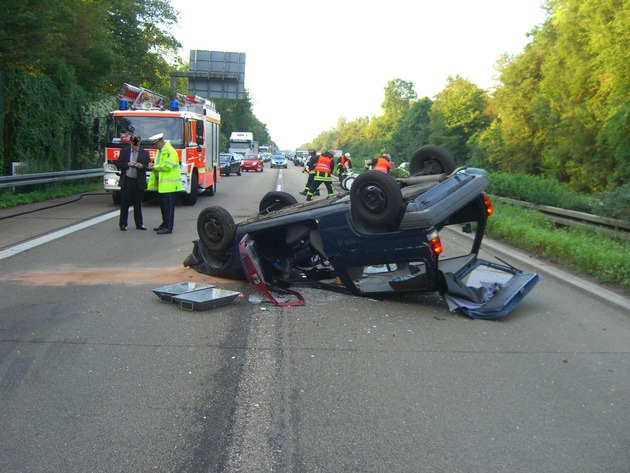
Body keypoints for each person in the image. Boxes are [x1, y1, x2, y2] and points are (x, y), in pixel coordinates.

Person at [147, 133, 182, 234]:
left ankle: (168, 227)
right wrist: (154, 164)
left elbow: (168, 166)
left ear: (161, 142)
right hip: (162, 185)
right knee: (163, 207)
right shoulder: (160, 151)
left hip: (169, 185)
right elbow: (159, 163)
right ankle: (164, 224)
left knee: (168, 208)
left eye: (155, 144)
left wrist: (154, 167)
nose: (154, 146)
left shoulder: (170, 151)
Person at [117, 133, 150, 231]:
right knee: (124, 204)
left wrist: (141, 166)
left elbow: (148, 166)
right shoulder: (124, 152)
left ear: (139, 142)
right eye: (133, 141)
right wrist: (127, 164)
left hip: (138, 181)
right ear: (130, 141)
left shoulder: (144, 153)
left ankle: (139, 224)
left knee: (138, 204)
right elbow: (119, 164)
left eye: (137, 141)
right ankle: (123, 224)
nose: (135, 143)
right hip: (127, 180)